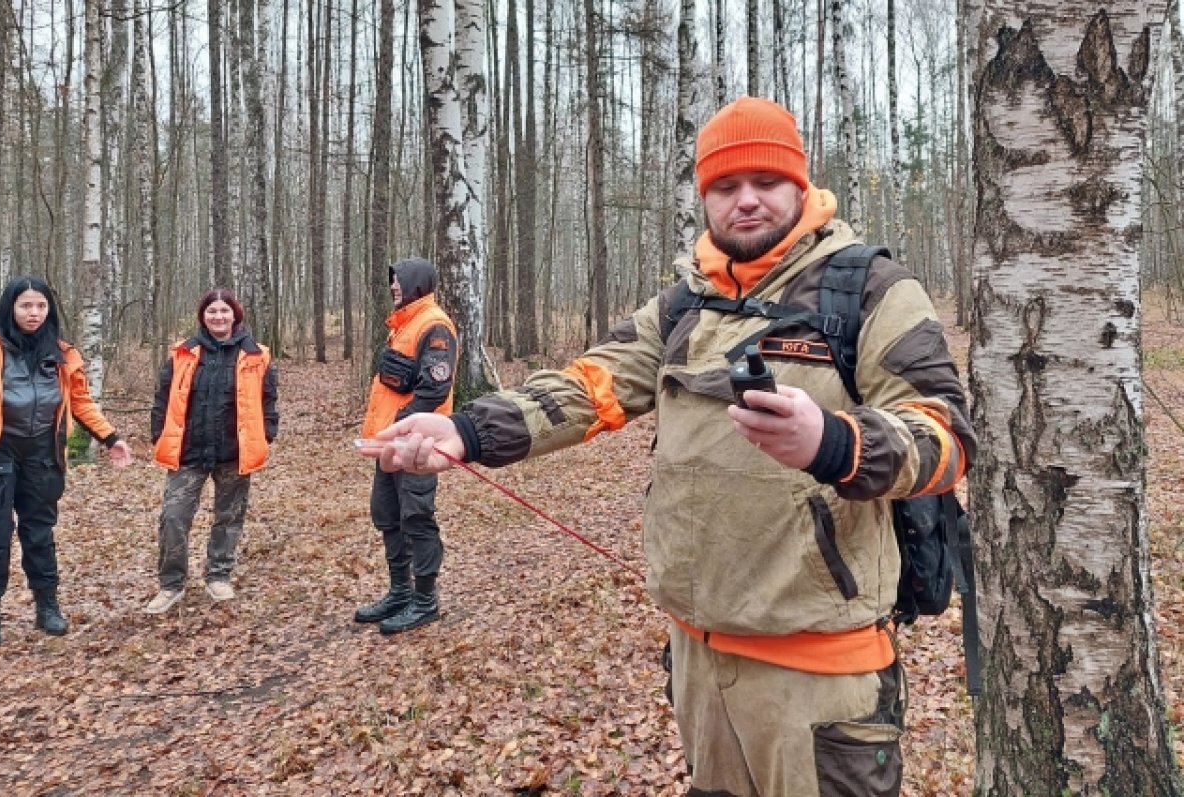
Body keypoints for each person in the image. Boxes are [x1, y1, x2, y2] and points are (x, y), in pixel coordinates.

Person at [368, 97, 976, 796]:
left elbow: (945, 433)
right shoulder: (686, 303)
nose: (745, 201)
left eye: (765, 182)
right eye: (724, 186)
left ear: (801, 186)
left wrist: (835, 441)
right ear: (705, 197)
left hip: (820, 674)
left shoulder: (867, 289)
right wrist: (465, 431)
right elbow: (589, 385)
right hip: (699, 659)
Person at [0, 275, 133, 648]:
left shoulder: (63, 354)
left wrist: (110, 437)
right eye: (25, 306)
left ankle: (47, 606)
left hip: (42, 454)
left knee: (40, 534)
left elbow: (81, 403)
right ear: (10, 308)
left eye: (40, 306)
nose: (33, 313)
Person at [144, 289, 278, 614]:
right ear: (203, 316)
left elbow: (268, 400)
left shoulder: (256, 356)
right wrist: (158, 433)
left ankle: (219, 575)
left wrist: (267, 433)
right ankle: (171, 584)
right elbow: (162, 398)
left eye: (224, 311)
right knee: (173, 518)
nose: (218, 317)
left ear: (236, 315)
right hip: (187, 451)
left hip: (235, 452)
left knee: (229, 518)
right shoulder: (183, 353)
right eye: (212, 311)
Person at [353, 257, 458, 635]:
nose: (393, 287)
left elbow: (434, 389)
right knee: (387, 515)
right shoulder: (402, 326)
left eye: (398, 281)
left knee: (416, 517)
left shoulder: (434, 326)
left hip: (416, 445)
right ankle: (400, 591)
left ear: (416, 283)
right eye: (392, 281)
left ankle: (425, 600)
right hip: (388, 445)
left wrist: (400, 431)